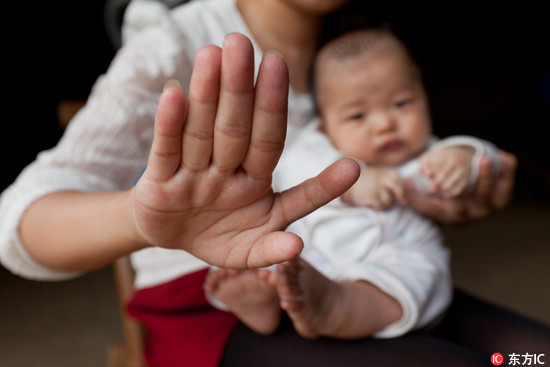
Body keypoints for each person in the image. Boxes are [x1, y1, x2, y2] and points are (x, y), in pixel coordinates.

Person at [0, 0, 533, 366]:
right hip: (216, 299)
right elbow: (18, 220)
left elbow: (427, 157)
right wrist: (145, 216)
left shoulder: (365, 38)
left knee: (526, 357)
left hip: (375, 270)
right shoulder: (174, 44)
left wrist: (459, 185)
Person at [204, 27, 501, 340]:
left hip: (392, 256)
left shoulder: (430, 154)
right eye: (358, 116)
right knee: (261, 251)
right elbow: (292, 173)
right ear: (325, 122)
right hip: (309, 253)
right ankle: (262, 301)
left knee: (421, 275)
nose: (385, 124)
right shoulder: (315, 147)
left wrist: (463, 160)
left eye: (401, 103)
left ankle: (335, 307)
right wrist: (354, 181)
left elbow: (486, 159)